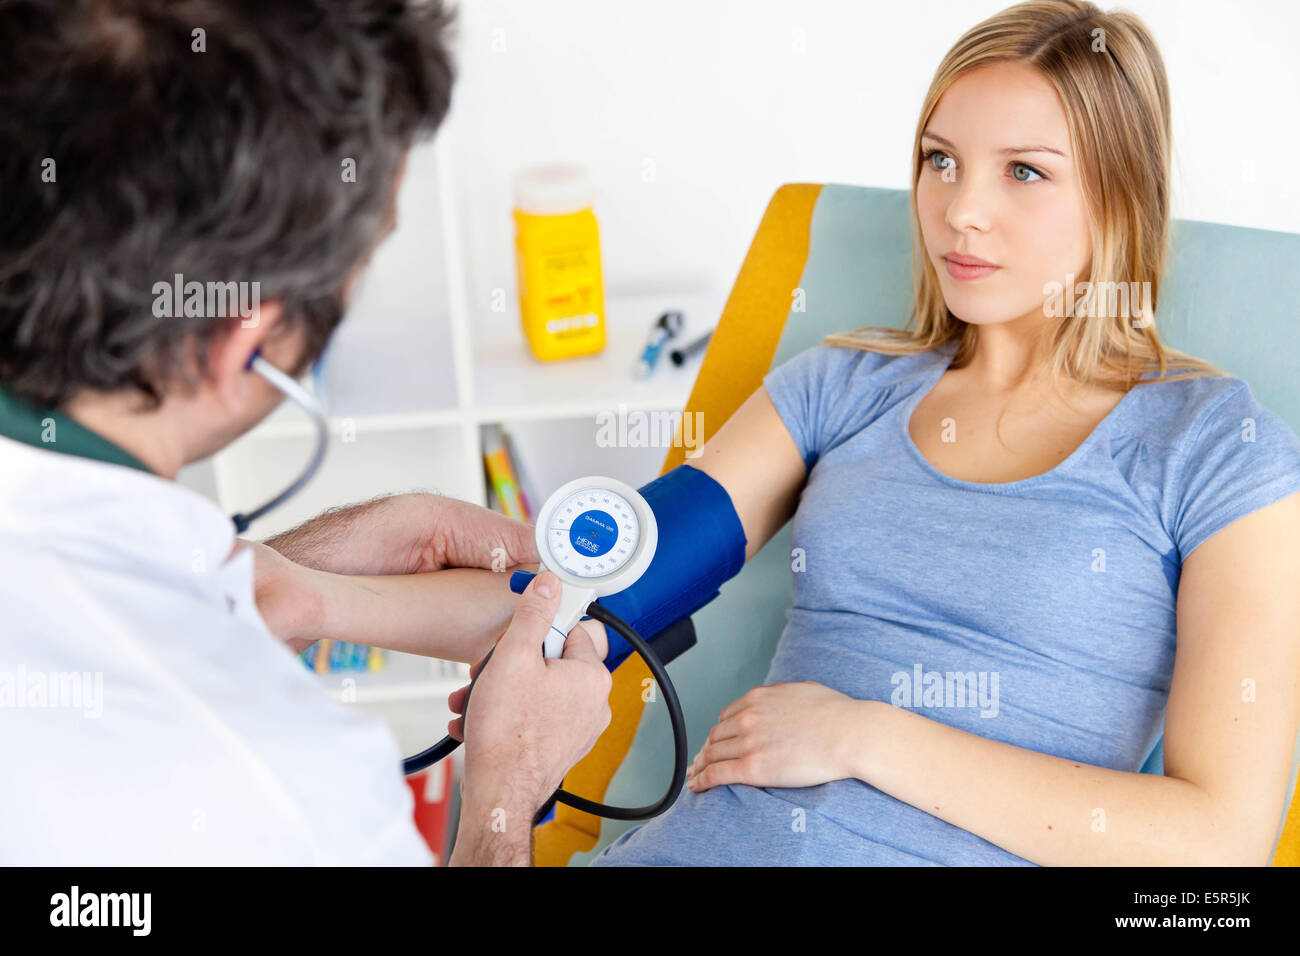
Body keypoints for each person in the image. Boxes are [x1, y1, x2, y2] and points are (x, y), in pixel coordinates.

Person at [588, 0, 1300, 865]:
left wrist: (866, 738)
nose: (961, 211)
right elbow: (602, 583)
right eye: (941, 160)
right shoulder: (841, 384)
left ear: (1121, 194)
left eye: (1024, 172)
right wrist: (380, 575)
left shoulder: (1214, 448)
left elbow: (1221, 844)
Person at [0, 0, 611, 866]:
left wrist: (300, 576)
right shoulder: (288, 793)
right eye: (357, 276)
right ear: (244, 347)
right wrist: (507, 791)